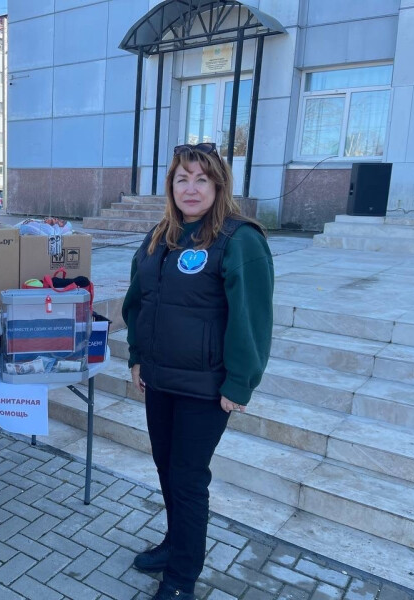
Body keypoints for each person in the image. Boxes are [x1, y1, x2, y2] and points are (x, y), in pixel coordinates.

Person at [122, 143, 274, 599]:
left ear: (218, 185)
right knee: (167, 468)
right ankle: (175, 545)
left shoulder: (239, 239)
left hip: (206, 388)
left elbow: (251, 317)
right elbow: (139, 301)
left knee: (188, 480)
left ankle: (181, 579)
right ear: (171, 185)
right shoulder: (160, 235)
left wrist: (240, 382)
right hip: (160, 379)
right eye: (182, 178)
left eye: (201, 179)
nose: (190, 188)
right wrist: (137, 357)